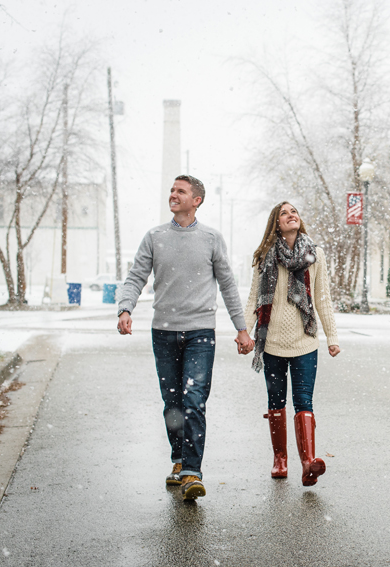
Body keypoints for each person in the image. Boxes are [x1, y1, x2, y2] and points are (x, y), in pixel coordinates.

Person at [117, 175, 254, 501]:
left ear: (197, 200)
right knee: (173, 403)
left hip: (200, 333)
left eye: (181, 191)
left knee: (194, 400)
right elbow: (136, 275)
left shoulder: (210, 238)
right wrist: (125, 308)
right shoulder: (155, 237)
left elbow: (228, 285)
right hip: (163, 331)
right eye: (172, 190)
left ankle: (192, 472)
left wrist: (241, 328)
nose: (173, 195)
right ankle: (178, 460)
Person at [243, 201, 340, 487]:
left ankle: (308, 464)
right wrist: (245, 333)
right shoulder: (264, 256)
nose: (291, 215)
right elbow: (253, 299)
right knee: (276, 402)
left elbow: (322, 298)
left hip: (305, 341)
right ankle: (280, 459)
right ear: (276, 222)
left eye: (294, 211)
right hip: (271, 342)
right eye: (284, 213)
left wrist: (332, 337)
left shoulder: (314, 254)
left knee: (304, 402)